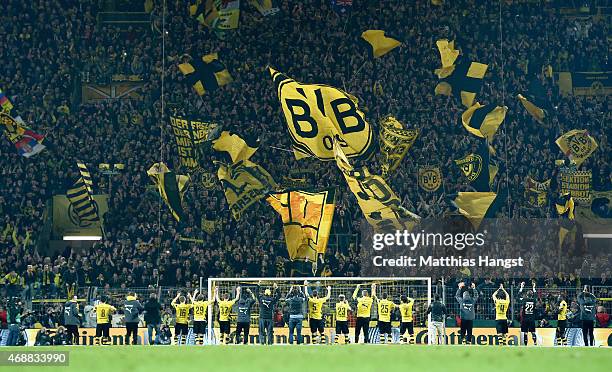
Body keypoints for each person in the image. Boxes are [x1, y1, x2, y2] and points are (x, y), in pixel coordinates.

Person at [518, 282, 537, 346]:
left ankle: (526, 345)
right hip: (532, 318)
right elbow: (536, 295)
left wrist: (521, 287)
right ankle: (535, 343)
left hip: (525, 319)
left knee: (525, 333)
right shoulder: (534, 300)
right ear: (531, 295)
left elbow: (518, 296)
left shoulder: (524, 300)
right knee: (533, 332)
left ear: (526, 295)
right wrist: (534, 287)